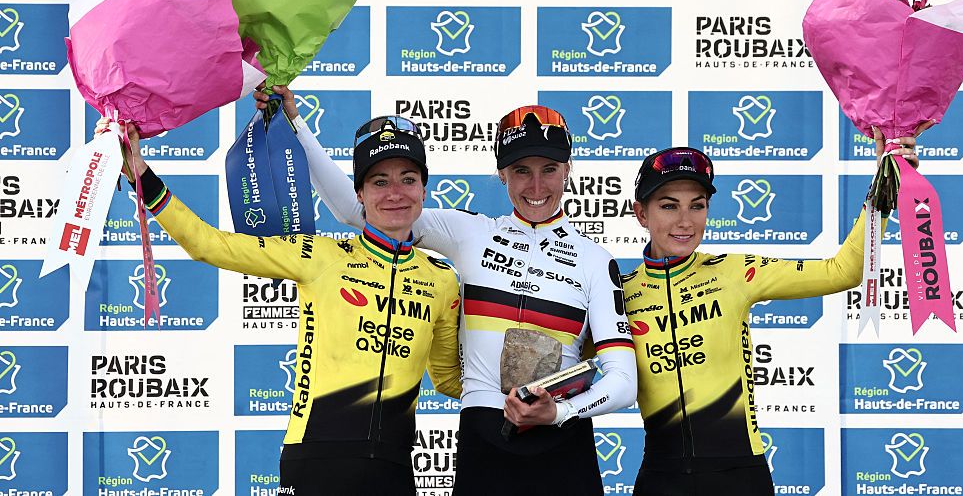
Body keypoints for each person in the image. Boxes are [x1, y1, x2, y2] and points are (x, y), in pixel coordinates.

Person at [256, 88, 637, 495]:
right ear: (502, 175)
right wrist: (294, 124)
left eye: (549, 169)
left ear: (568, 170)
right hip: (483, 440)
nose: (537, 184)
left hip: (563, 442)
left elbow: (623, 381)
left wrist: (560, 411)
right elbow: (358, 210)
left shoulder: (595, 259)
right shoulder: (470, 232)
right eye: (521, 170)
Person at [97, 114, 460, 495]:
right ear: (359, 193)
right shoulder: (318, 255)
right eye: (379, 181)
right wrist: (140, 171)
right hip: (316, 459)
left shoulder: (442, 279)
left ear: (424, 189)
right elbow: (208, 244)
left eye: (408, 180)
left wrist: (520, 391)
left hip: (394, 466)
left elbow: (450, 379)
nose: (395, 193)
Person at [622, 127, 926, 496]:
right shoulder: (619, 294)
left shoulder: (735, 271)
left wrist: (885, 186)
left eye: (697, 205)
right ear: (641, 213)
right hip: (661, 478)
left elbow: (844, 271)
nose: (685, 221)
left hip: (739, 476)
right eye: (669, 205)